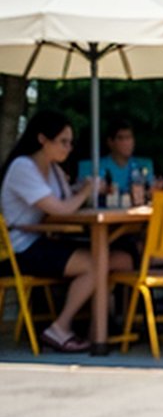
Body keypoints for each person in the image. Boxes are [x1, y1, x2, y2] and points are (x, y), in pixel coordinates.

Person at [0, 108, 133, 351]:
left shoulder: (52, 169)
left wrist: (86, 189)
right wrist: (84, 191)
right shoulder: (23, 167)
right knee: (97, 263)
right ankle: (60, 328)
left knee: (121, 259)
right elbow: (61, 209)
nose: (68, 148)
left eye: (70, 143)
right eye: (63, 142)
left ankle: (100, 325)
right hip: (20, 248)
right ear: (42, 139)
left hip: (43, 239)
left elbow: (67, 198)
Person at [77, 118, 155, 201]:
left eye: (129, 137)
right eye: (121, 138)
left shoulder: (144, 165)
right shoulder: (93, 167)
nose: (126, 142)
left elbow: (150, 191)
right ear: (110, 142)